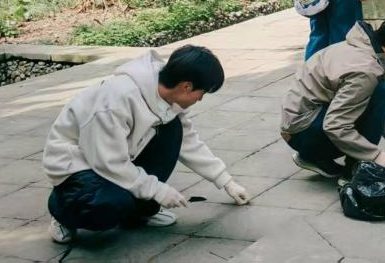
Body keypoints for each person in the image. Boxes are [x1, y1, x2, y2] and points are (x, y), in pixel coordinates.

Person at [42, 45, 249, 244]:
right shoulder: (115, 100)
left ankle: (140, 211)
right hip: (79, 167)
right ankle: (63, 211)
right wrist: (158, 191)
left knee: (173, 129)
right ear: (186, 86)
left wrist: (225, 181)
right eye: (202, 93)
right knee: (108, 205)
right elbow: (108, 162)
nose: (200, 99)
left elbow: (188, 141)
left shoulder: (170, 99)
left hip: (119, 157)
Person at [281, 14, 385, 180]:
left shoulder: (365, 49)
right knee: (380, 94)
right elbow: (335, 125)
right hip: (304, 133)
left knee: (380, 93)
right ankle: (354, 171)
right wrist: (375, 156)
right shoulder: (366, 69)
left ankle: (313, 157)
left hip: (301, 128)